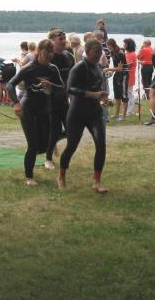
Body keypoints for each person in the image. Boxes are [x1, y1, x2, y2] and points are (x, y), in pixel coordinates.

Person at [6, 39, 64, 185]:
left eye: (51, 53)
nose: (49, 55)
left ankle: (45, 150)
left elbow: (62, 88)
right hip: (28, 109)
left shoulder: (52, 69)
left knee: (43, 145)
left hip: (45, 108)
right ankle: (29, 177)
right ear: (39, 51)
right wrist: (16, 103)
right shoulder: (29, 68)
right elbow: (10, 85)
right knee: (32, 145)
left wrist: (51, 85)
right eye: (47, 52)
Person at [57, 38, 110, 193]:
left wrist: (103, 96)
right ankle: (61, 176)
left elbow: (98, 87)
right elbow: (70, 89)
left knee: (101, 145)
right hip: (77, 112)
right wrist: (92, 94)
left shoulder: (98, 67)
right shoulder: (79, 67)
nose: (99, 55)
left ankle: (97, 182)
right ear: (87, 51)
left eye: (100, 52)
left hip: (95, 112)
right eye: (96, 52)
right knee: (72, 146)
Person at [47, 29, 76, 169]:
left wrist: (73, 100)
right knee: (55, 128)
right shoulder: (48, 57)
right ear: (52, 41)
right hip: (50, 99)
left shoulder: (69, 56)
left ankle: (52, 143)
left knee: (72, 130)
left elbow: (73, 80)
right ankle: (48, 159)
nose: (64, 41)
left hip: (64, 98)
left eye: (65, 38)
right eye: (61, 39)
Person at [106, 38, 128, 121]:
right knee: (117, 94)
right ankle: (116, 114)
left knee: (123, 95)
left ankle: (124, 116)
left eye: (108, 46)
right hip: (117, 74)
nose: (108, 48)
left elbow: (120, 68)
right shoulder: (112, 52)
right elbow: (116, 66)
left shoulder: (120, 53)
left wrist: (108, 69)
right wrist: (111, 72)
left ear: (112, 45)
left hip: (124, 74)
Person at [123, 38, 138, 118]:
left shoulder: (132, 54)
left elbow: (127, 65)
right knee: (127, 93)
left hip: (130, 75)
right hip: (126, 75)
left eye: (125, 44)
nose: (123, 45)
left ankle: (130, 110)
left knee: (129, 93)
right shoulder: (127, 53)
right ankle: (128, 110)